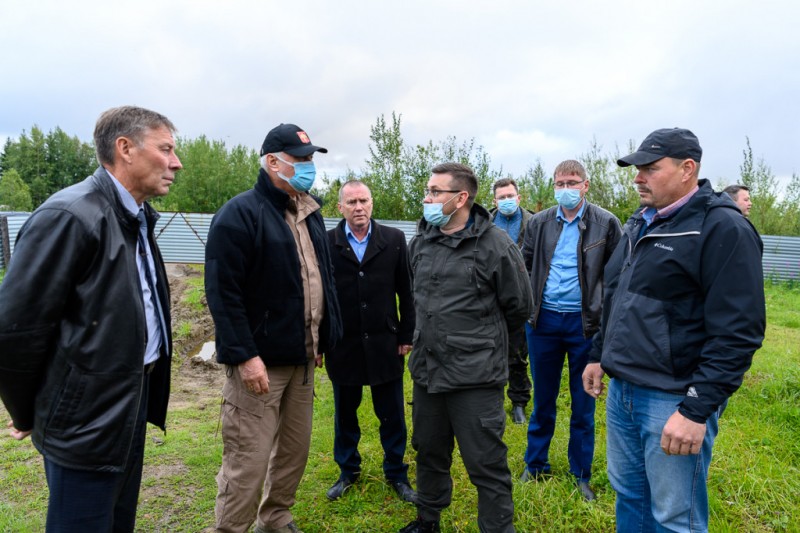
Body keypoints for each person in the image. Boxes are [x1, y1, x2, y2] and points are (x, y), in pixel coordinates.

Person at [0, 105, 180, 532]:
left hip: (128, 402)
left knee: (118, 522)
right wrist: (29, 413)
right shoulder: (71, 216)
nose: (176, 162)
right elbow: (15, 330)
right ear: (125, 149)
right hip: (84, 420)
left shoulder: (134, 216)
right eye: (166, 149)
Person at [582, 128, 765, 532]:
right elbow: (616, 297)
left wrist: (696, 409)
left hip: (672, 398)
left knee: (674, 517)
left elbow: (738, 331)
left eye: (650, 168)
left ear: (688, 169)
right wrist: (598, 354)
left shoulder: (721, 228)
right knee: (630, 497)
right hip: (623, 392)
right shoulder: (640, 223)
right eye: (636, 169)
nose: (638, 178)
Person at [204, 123, 343, 533]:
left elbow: (322, 280)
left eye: (310, 160)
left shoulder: (309, 211)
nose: (307, 168)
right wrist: (245, 356)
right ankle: (229, 528)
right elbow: (222, 293)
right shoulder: (239, 214)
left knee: (293, 453)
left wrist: (322, 337)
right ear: (272, 162)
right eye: (299, 161)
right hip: (259, 365)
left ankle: (276, 518)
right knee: (248, 457)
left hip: (302, 359)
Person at [400, 162, 533, 533]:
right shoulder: (421, 240)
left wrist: (480, 346)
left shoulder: (495, 245)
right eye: (427, 190)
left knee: (486, 463)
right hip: (428, 373)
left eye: (434, 192)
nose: (427, 198)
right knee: (428, 451)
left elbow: (519, 306)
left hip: (476, 377)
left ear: (461, 198)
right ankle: (428, 519)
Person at [520, 160, 622, 502]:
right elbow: (523, 264)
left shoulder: (606, 223)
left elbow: (616, 279)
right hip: (544, 322)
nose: (565, 188)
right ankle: (535, 465)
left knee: (583, 404)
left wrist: (607, 327)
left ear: (585, 185)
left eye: (572, 182)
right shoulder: (539, 222)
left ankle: (581, 474)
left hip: (585, 326)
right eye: (560, 182)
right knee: (543, 399)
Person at [321, 180, 417, 503]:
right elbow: (319, 295)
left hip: (384, 342)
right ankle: (348, 471)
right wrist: (322, 341)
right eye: (352, 202)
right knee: (345, 414)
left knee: (391, 413)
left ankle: (396, 473)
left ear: (372, 203)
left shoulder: (393, 239)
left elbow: (406, 290)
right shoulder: (327, 242)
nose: (358, 207)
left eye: (363, 200)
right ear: (340, 208)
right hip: (343, 344)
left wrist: (406, 334)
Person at [490, 178, 534, 424]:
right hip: (489, 297)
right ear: (494, 200)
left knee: (517, 353)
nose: (506, 201)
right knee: (488, 351)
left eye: (510, 196)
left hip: (519, 296)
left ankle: (518, 401)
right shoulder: (483, 222)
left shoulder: (533, 222)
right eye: (501, 197)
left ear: (518, 198)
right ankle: (490, 399)